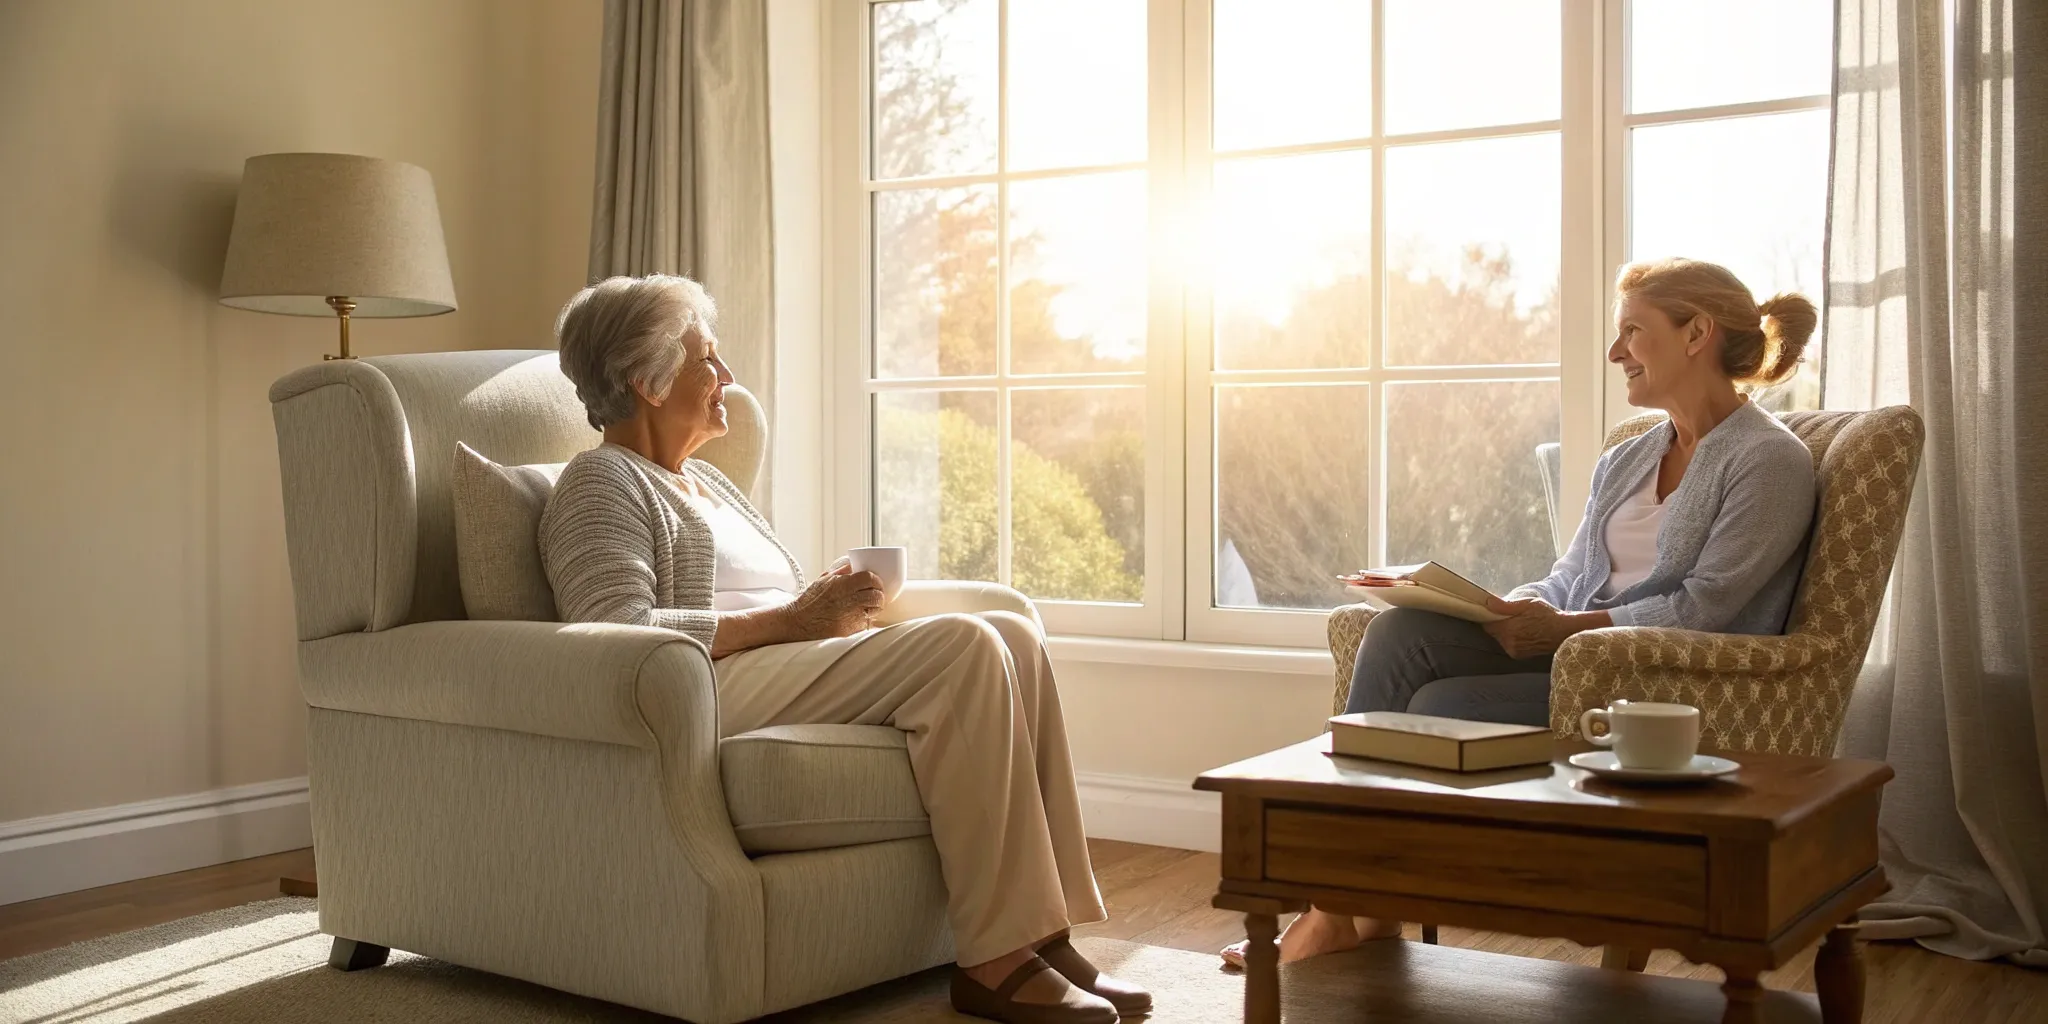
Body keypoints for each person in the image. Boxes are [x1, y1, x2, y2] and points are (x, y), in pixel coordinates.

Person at [538, 275, 1148, 1024]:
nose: (727, 378)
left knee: (1013, 635)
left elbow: (773, 601)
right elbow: (613, 632)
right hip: (703, 689)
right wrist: (790, 622)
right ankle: (991, 961)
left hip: (779, 662)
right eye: (709, 359)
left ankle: (1043, 936)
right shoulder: (600, 481)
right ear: (648, 380)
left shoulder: (711, 486)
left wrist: (824, 604)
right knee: (962, 646)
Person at [1223, 257, 1820, 968]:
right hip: (1571, 652)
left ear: (1697, 333)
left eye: (1632, 330)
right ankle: (1360, 906)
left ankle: (1343, 905)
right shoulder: (1631, 456)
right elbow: (1575, 573)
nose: (1615, 352)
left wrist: (1565, 629)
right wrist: (1516, 608)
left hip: (1660, 684)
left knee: (1443, 701)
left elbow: (1707, 607)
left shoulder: (1768, 461)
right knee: (1399, 631)